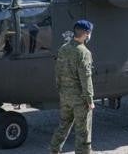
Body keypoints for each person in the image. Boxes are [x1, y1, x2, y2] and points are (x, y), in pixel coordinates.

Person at [50, 20, 95, 154]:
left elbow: (57, 71)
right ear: (86, 34)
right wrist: (90, 100)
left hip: (65, 95)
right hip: (80, 99)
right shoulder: (84, 52)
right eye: (89, 33)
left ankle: (53, 150)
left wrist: (61, 90)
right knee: (83, 133)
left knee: (63, 126)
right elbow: (86, 78)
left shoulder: (63, 48)